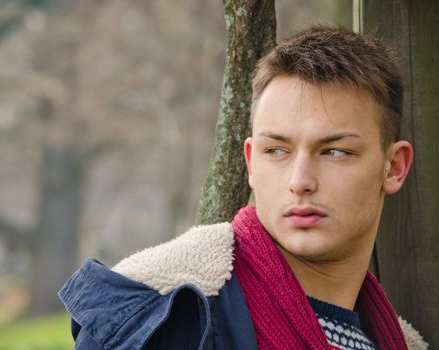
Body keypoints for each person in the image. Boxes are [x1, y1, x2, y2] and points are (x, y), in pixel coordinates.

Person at [58, 26, 428, 350]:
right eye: (277, 151)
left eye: (334, 151)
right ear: (251, 162)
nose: (300, 181)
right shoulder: (157, 316)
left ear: (393, 168)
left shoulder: (397, 342)